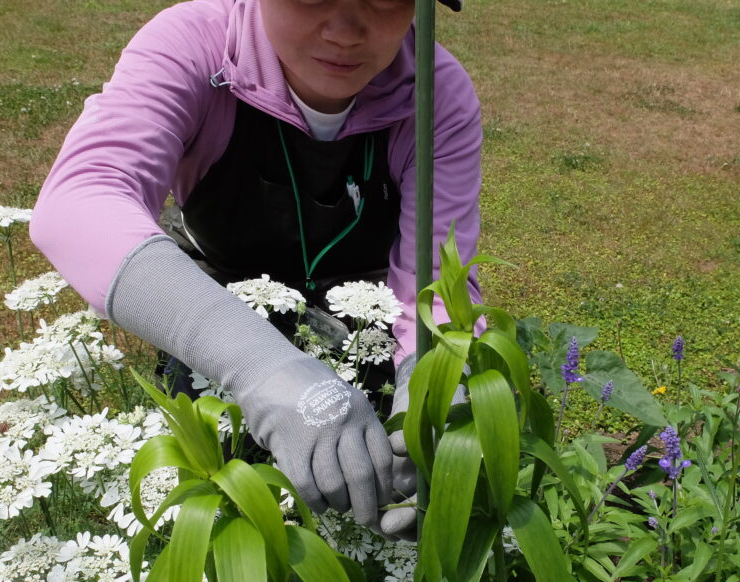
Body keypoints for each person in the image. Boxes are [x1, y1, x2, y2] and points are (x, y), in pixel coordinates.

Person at [30, 0, 483, 538]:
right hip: (223, 313)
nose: (343, 31)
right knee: (224, 517)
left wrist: (436, 385)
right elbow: (80, 201)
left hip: (367, 321)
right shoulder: (197, 44)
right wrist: (261, 366)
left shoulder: (436, 94)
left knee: (369, 509)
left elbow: (436, 273)